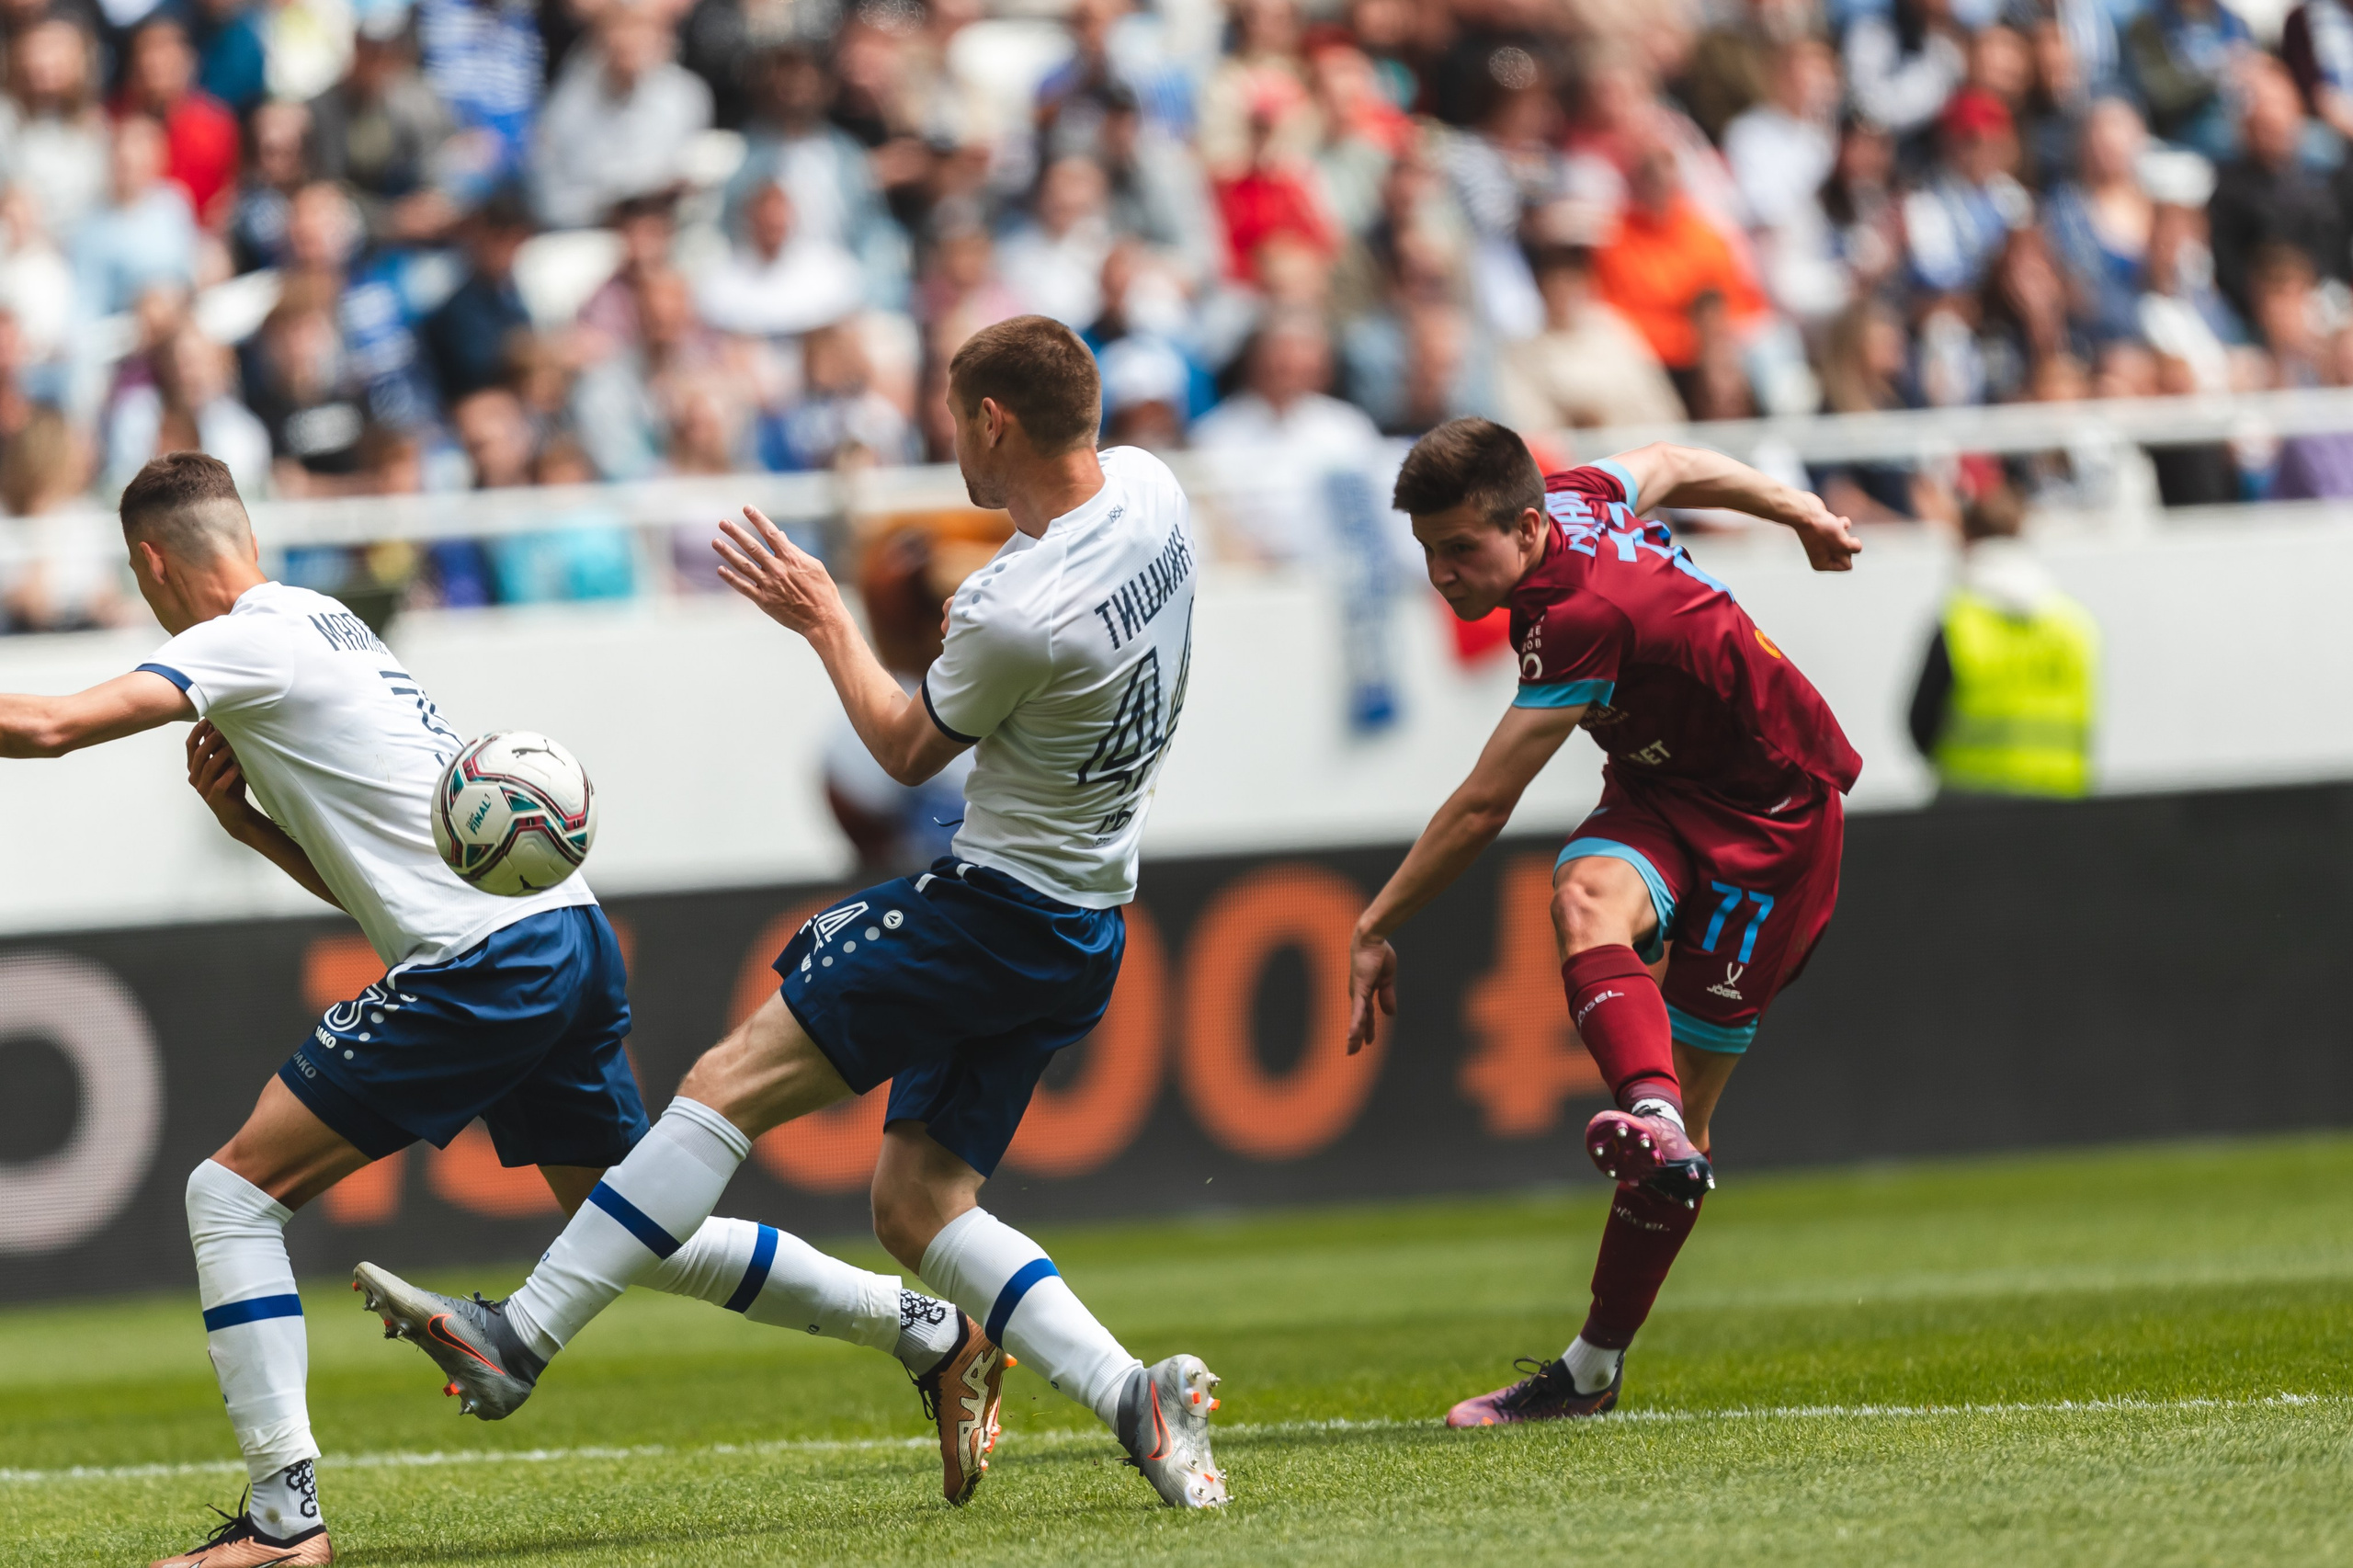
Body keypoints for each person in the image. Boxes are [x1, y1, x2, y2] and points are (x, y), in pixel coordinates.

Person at [0, 453, 990, 1564]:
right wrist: (258, 834)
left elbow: (45, 724)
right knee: (632, 1231)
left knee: (229, 1194)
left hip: (486, 960)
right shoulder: (329, 622)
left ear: (150, 561)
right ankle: (928, 1330)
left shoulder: (239, 638)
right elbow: (385, 885)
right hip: (560, 930)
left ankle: (285, 1521)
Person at [357, 315, 1229, 1513]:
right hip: (1089, 918)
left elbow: (905, 750)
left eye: (948, 409)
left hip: (995, 909)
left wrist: (824, 613)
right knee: (918, 1207)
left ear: (991, 422)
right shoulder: (1153, 488)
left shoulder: (1017, 607)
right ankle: (1136, 1396)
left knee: (725, 1082)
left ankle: (520, 1337)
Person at [1345, 417, 1861, 1426]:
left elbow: (1484, 804)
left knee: (1691, 1133)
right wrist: (1797, 508)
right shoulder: (1575, 495)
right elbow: (1670, 460)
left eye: (1460, 549)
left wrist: (1375, 919)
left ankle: (1590, 1365)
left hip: (1777, 821)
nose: (1442, 575)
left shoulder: (1576, 611)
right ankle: (1651, 1115)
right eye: (1427, 552)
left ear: (1528, 526)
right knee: (1583, 894)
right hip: (1664, 792)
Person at [1907, 484, 2099, 798]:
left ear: (1966, 540)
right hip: (2062, 807)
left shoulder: (1959, 623)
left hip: (1970, 809)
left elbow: (1920, 727)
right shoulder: (2074, 626)